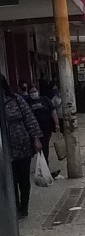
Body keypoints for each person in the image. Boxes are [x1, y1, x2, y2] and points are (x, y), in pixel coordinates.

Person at [1, 74, 42, 219]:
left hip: (21, 144)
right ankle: (14, 206)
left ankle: (24, 207)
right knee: (10, 180)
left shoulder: (16, 99)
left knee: (23, 179)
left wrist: (36, 138)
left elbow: (29, 118)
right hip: (4, 150)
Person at [27, 82, 59, 166]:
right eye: (31, 92)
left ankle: (45, 164)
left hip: (46, 128)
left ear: (38, 91)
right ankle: (40, 164)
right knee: (36, 148)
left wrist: (57, 123)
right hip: (33, 130)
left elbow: (53, 111)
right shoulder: (27, 103)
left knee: (44, 146)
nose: (33, 94)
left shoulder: (45, 99)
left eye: (34, 91)